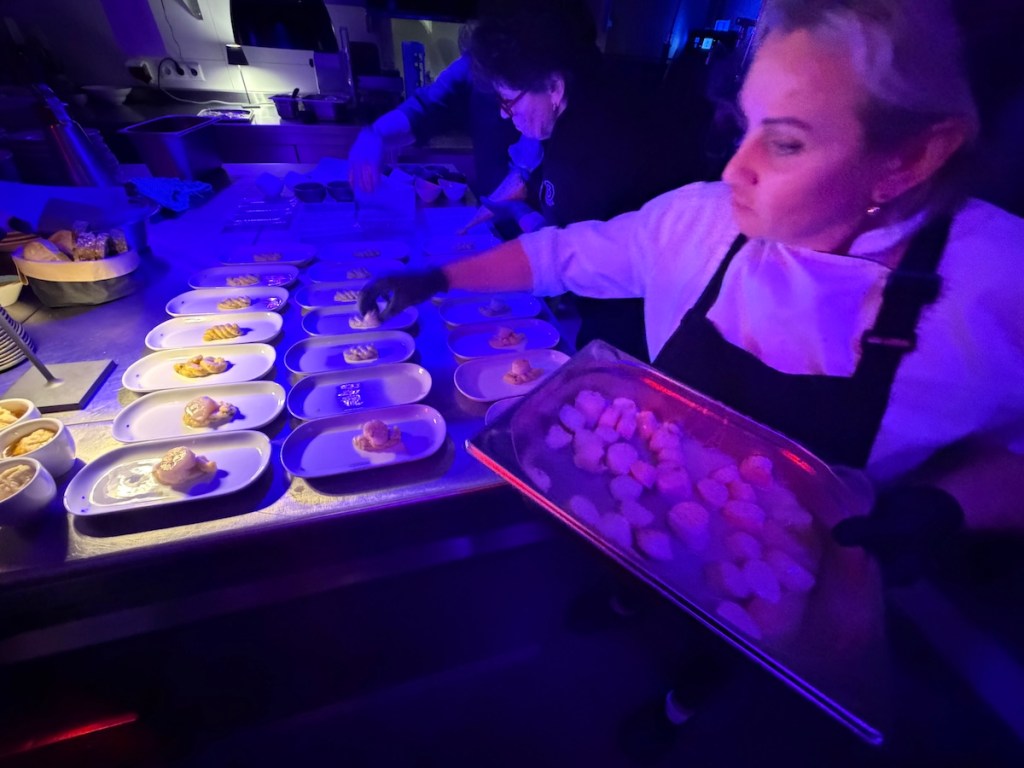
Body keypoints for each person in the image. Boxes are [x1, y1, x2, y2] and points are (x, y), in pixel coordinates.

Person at [362, 0, 1024, 567]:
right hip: (659, 540)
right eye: (746, 127)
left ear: (908, 159)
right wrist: (439, 278)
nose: (734, 170)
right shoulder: (699, 221)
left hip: (810, 601)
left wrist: (948, 506)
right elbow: (559, 255)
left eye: (786, 143)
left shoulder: (997, 279)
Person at [458, 0, 706, 361]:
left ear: (554, 87)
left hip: (644, 330)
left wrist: (453, 275)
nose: (504, 114)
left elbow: (565, 252)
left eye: (509, 101)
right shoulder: (588, 104)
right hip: (623, 309)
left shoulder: (594, 140)